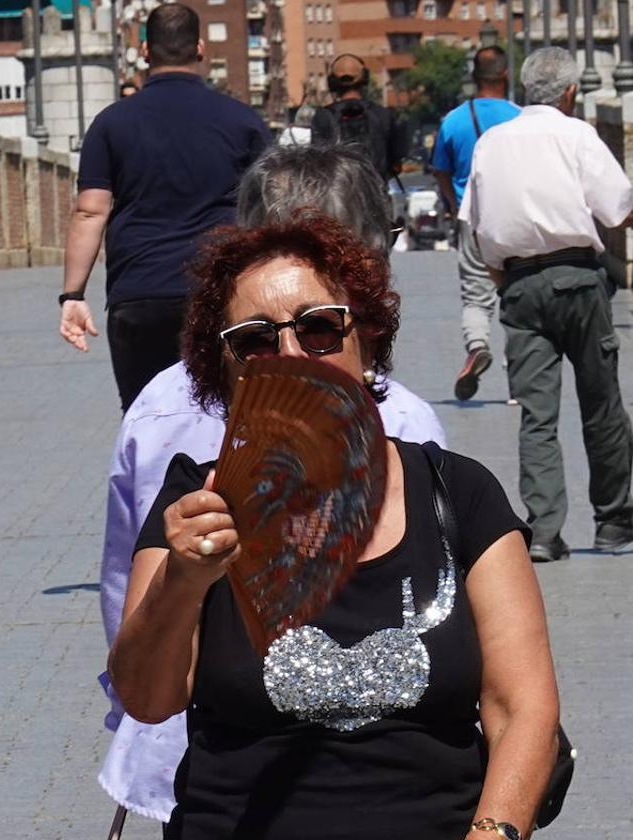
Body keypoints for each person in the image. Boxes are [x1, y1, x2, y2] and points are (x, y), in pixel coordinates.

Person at [108, 214, 560, 839]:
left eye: (320, 327)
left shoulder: (459, 492)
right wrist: (183, 581)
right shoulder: (198, 503)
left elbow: (522, 708)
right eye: (257, 340)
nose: (291, 354)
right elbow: (148, 698)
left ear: (367, 338)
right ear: (227, 368)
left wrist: (493, 833)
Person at [97, 144, 446, 827]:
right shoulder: (402, 417)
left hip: (181, 749)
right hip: (359, 768)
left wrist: (130, 703)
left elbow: (121, 585)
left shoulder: (158, 405)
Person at [461, 46, 633, 562]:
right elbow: (618, 207)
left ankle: (544, 530)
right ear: (570, 92)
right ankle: (613, 522)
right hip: (578, 278)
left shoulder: (491, 143)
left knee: (537, 415)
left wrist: (503, 278)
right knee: (601, 404)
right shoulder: (576, 134)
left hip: (518, 285)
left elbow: (479, 225)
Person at [59, 2, 271, 412]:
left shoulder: (111, 123)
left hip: (140, 295)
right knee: (233, 414)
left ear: (144, 50)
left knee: (148, 416)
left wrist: (72, 295)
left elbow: (90, 211)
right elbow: (269, 206)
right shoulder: (242, 121)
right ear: (201, 48)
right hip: (221, 292)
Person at [431, 46, 520, 401]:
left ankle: (478, 344)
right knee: (516, 292)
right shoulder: (520, 116)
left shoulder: (453, 120)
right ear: (505, 75)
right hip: (514, 214)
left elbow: (440, 170)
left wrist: (455, 206)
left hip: (473, 213)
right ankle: (519, 381)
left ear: (474, 76)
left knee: (475, 294)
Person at [311, 54, 407, 187]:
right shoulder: (384, 115)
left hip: (338, 199)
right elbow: (397, 165)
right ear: (365, 78)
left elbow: (318, 164)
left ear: (332, 82)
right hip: (377, 198)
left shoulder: (323, 117)